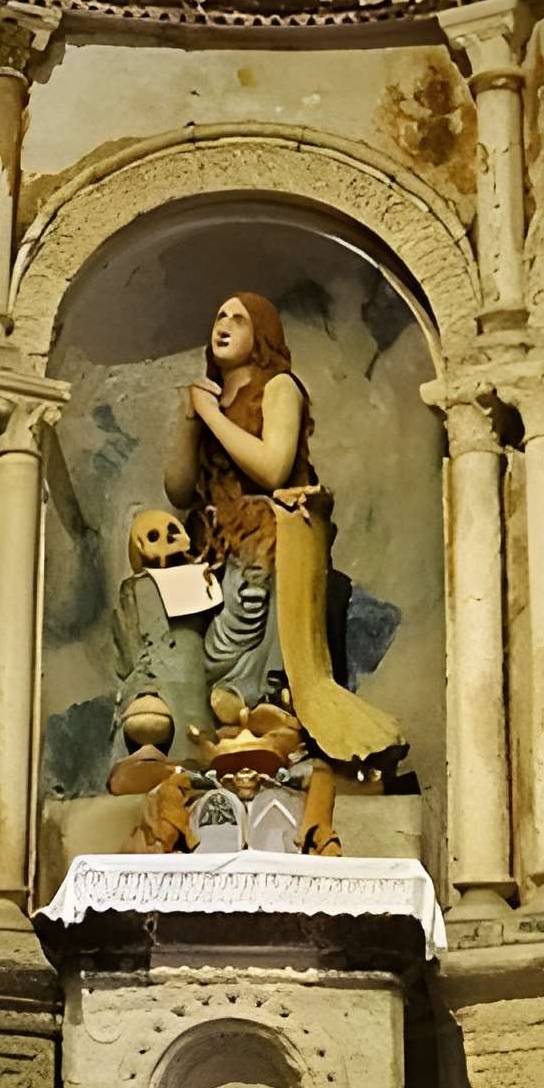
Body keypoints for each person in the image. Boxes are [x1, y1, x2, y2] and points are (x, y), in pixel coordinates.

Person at [164, 292, 404, 781]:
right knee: (214, 659)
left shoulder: (279, 389)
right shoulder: (210, 401)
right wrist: (192, 420)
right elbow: (178, 488)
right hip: (216, 549)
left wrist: (211, 417)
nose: (224, 325)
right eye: (219, 315)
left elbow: (274, 468)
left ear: (263, 336)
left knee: (264, 662)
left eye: (239, 319)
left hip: (270, 545)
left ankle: (275, 725)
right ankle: (229, 731)